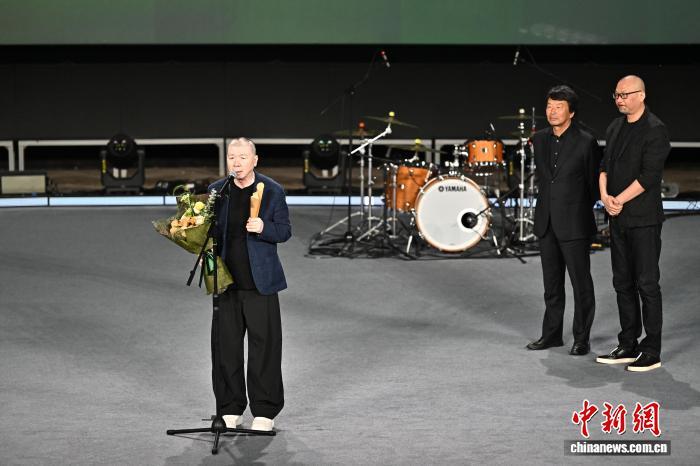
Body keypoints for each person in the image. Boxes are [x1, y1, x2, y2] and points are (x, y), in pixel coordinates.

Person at [208, 137, 291, 430]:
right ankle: (230, 407)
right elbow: (209, 234)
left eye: (243, 157)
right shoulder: (218, 191)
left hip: (260, 283)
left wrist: (264, 227)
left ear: (255, 160)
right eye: (232, 157)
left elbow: (284, 231)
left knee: (264, 347)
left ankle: (265, 411)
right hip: (226, 283)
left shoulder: (272, 190)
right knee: (226, 348)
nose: (237, 162)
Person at [596, 75, 670, 372]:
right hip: (618, 217)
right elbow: (603, 166)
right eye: (616, 95)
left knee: (647, 284)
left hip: (644, 219)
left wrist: (618, 200)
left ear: (642, 95)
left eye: (625, 94)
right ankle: (628, 343)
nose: (620, 99)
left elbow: (649, 176)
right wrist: (605, 196)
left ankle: (651, 350)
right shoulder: (615, 127)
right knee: (622, 282)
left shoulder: (655, 129)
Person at [527, 85, 601, 356]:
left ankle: (582, 338)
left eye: (559, 107)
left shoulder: (586, 141)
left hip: (575, 223)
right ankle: (551, 335)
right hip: (546, 221)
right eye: (549, 106)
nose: (552, 112)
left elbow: (593, 185)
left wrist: (576, 209)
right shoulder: (539, 139)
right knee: (552, 285)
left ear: (571, 112)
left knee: (581, 285)